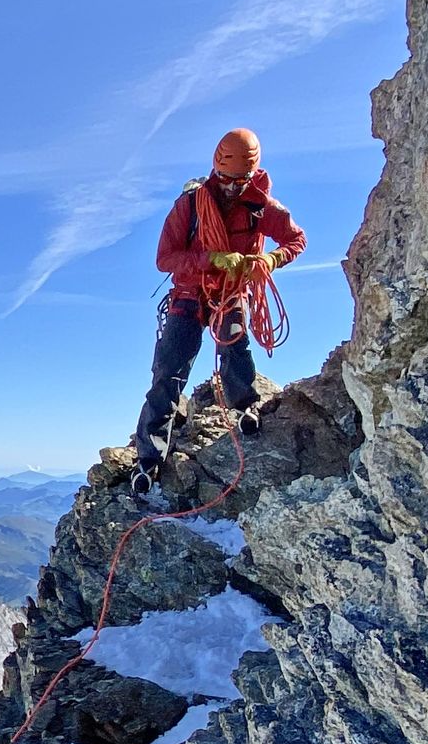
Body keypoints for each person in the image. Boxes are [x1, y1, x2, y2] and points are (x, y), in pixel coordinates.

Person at [130, 128, 304, 497]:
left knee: (234, 349)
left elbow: (296, 240)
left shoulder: (260, 206)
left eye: (239, 181)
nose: (230, 188)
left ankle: (245, 406)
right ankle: (149, 456)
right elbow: (165, 258)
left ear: (251, 175)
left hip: (230, 293)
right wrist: (211, 258)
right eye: (225, 179)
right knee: (168, 373)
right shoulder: (191, 205)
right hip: (189, 295)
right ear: (215, 170)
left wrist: (271, 259)